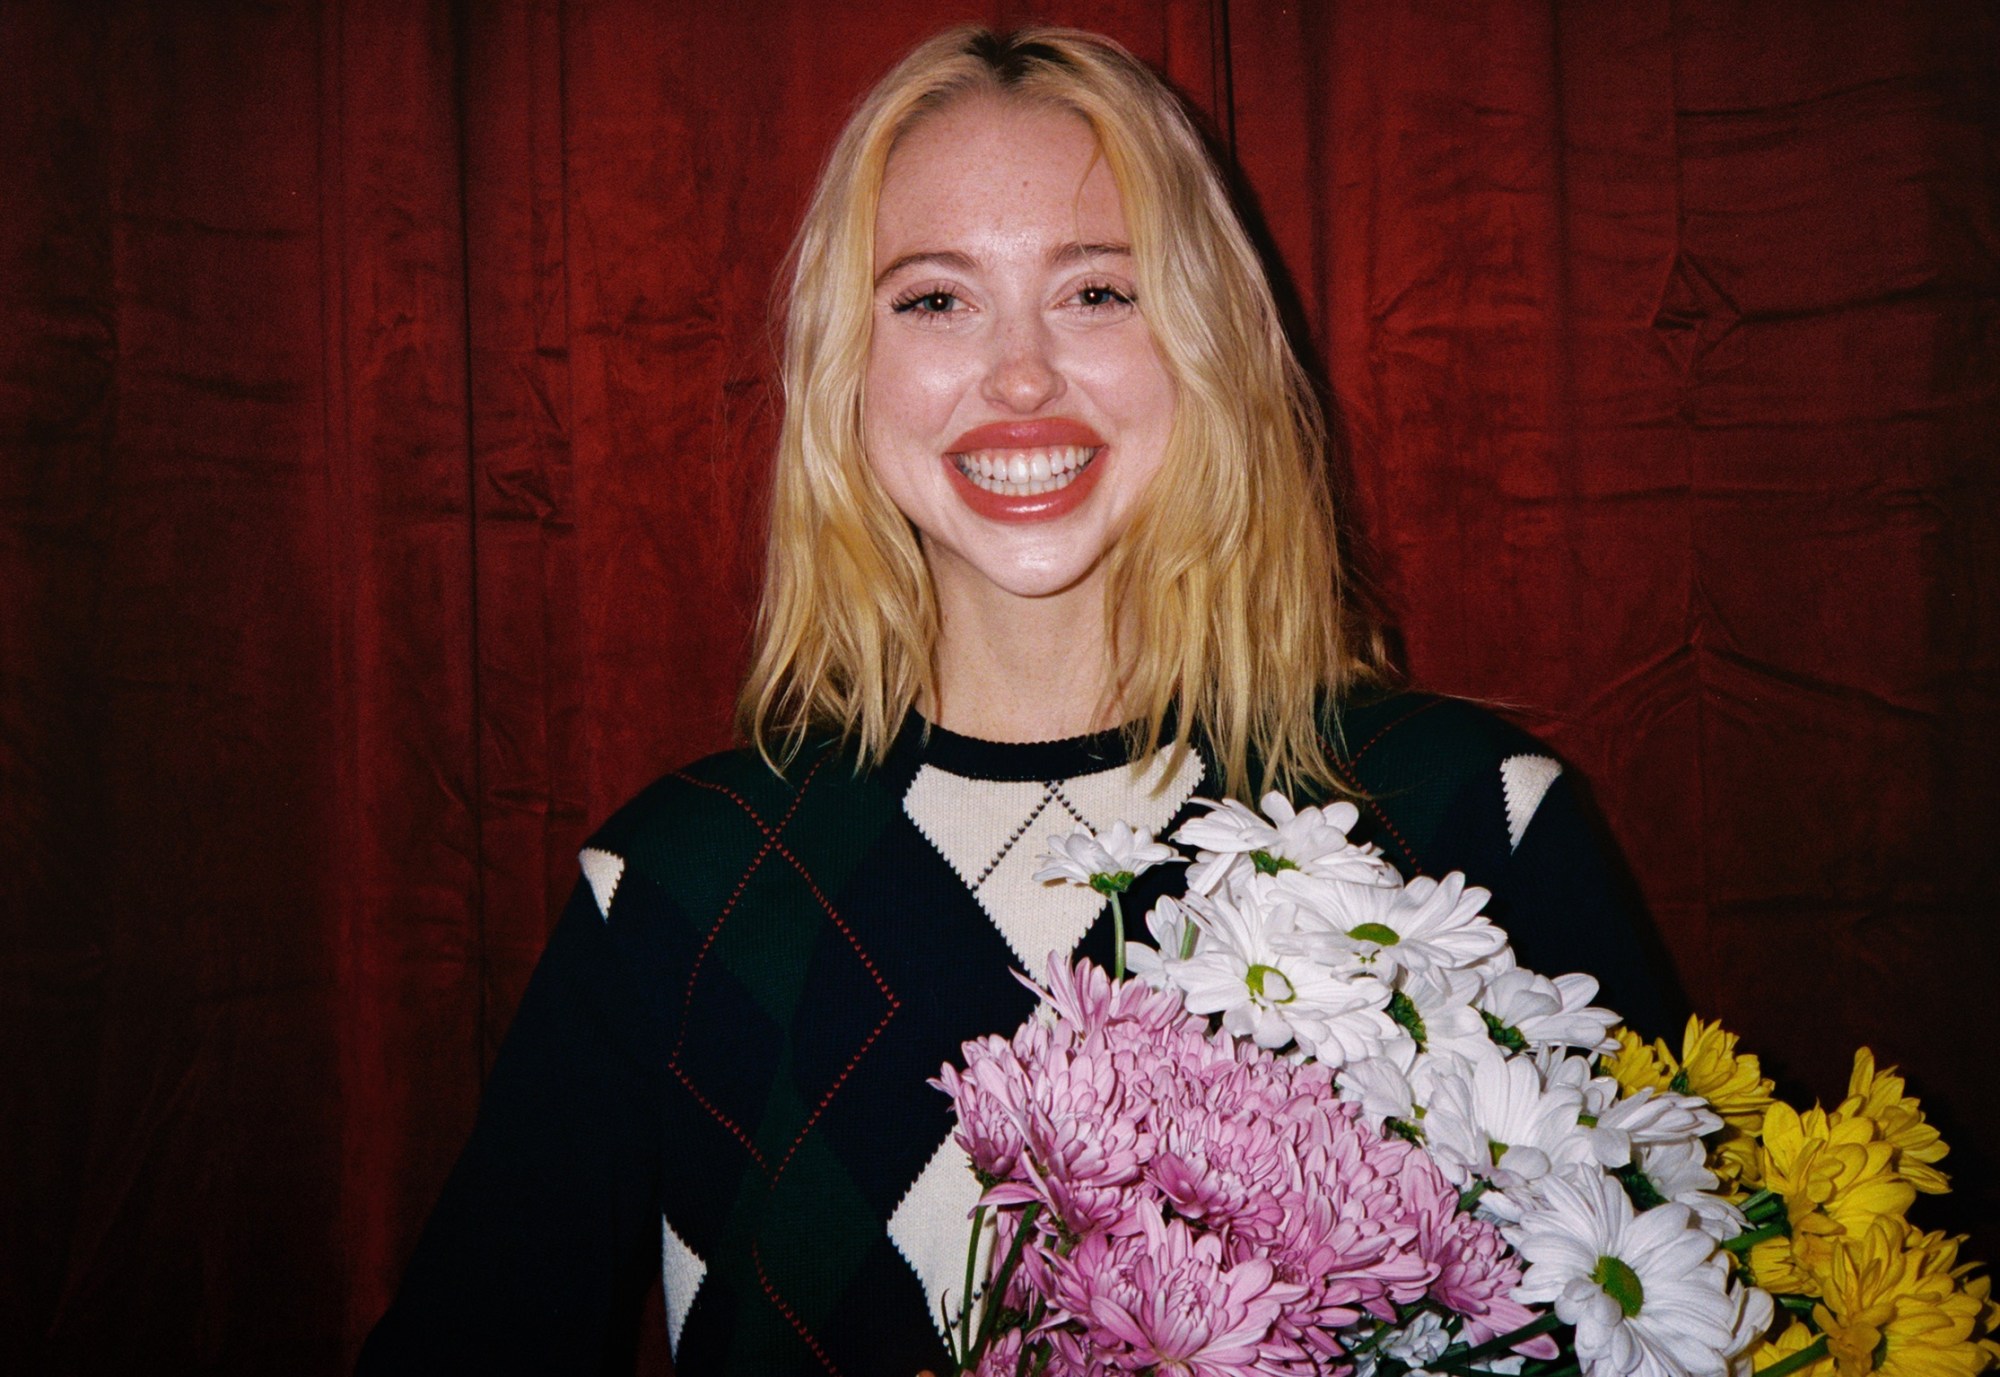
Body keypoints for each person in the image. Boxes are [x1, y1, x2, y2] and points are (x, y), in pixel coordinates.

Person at [357, 26, 1675, 1375]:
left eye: (1099, 292)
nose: (1022, 374)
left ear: (1204, 340)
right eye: (935, 300)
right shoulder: (675, 889)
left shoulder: (1471, 825)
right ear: (844, 373)